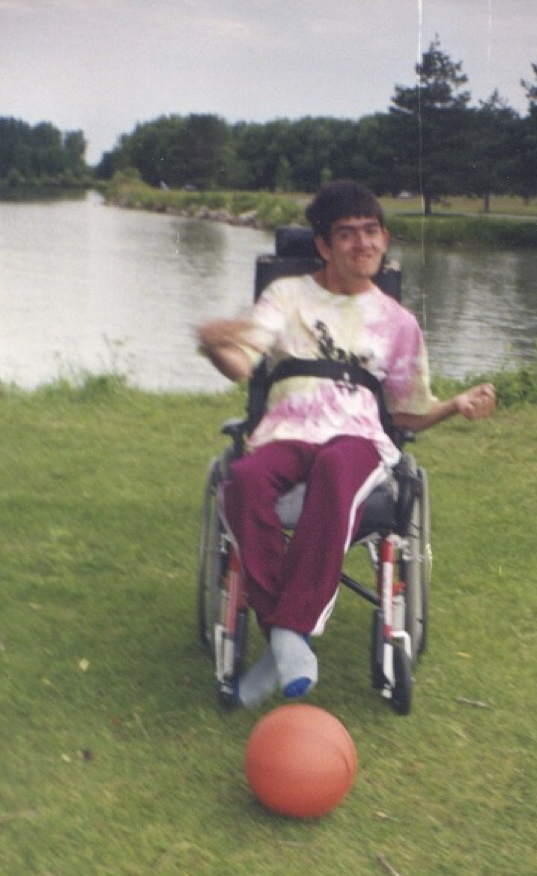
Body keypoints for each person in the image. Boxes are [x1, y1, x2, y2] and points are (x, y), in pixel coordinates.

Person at [197, 180, 495, 707]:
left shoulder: (399, 323)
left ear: (385, 238)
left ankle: (286, 637)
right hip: (284, 431)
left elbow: (406, 412)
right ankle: (288, 638)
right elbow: (241, 364)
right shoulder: (287, 295)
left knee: (336, 470)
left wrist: (454, 405)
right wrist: (213, 345)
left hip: (356, 437)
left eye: (371, 231)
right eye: (347, 234)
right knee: (242, 480)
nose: (363, 244)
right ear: (323, 245)